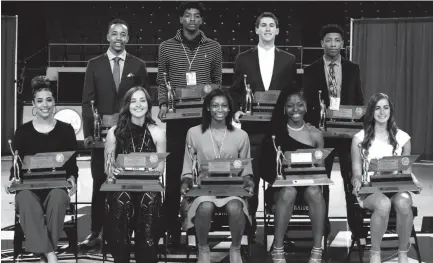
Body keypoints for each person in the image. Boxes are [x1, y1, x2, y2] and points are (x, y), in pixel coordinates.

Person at [156, 1, 222, 246]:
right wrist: (163, 102)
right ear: (181, 20)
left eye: (196, 16)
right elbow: (162, 79)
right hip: (176, 118)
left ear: (201, 21)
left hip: (202, 119)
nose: (192, 19)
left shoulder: (214, 47)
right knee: (174, 174)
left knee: (203, 171)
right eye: (188, 15)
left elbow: (217, 81)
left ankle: (199, 225)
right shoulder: (166, 47)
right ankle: (171, 228)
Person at [80, 18, 149, 247]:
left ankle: (127, 231)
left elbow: (145, 99)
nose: (119, 38)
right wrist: (89, 133)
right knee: (100, 182)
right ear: (107, 37)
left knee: (128, 182)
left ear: (128, 39)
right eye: (114, 34)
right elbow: (87, 101)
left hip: (131, 135)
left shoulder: (138, 65)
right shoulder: (94, 64)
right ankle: (95, 232)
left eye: (123, 34)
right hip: (101, 138)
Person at [230, 12, 299, 235]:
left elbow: (293, 92)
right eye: (263, 25)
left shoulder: (289, 59)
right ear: (257, 30)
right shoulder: (243, 58)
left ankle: (280, 234)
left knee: (281, 184)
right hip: (253, 132)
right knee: (251, 181)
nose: (268, 29)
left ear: (277, 31)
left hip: (281, 131)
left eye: (272, 25)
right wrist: (238, 109)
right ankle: (249, 233)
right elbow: (236, 91)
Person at [6, 76, 78, 263]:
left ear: (54, 102)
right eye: (40, 101)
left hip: (56, 185)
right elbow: (17, 164)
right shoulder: (22, 132)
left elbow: (71, 165)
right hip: (29, 186)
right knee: (24, 199)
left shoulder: (66, 130)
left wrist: (72, 177)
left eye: (49, 100)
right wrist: (13, 179)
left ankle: (43, 251)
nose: (44, 105)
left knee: (59, 198)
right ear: (33, 105)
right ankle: (50, 253)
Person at [180, 88, 254, 263]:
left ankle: (235, 249)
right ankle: (203, 249)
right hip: (204, 189)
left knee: (235, 207)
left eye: (224, 106)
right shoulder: (194, 133)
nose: (219, 110)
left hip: (232, 188)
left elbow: (247, 169)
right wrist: (186, 180)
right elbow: (188, 165)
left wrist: (248, 181)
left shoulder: (241, 135)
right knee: (205, 206)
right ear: (207, 108)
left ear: (230, 109)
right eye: (215, 105)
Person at [302, 24, 364, 232]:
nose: (333, 44)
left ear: (343, 44)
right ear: (322, 44)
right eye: (328, 40)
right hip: (321, 134)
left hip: (347, 134)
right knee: (322, 181)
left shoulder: (353, 68)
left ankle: (356, 228)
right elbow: (307, 103)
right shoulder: (310, 70)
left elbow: (358, 100)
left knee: (351, 180)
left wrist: (359, 128)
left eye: (337, 40)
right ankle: (322, 226)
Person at [260, 90, 326, 263]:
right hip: (282, 188)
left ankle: (317, 249)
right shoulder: (275, 134)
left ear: (306, 107)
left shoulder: (315, 134)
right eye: (290, 105)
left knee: (315, 192)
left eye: (299, 105)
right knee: (289, 191)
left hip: (308, 186)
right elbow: (265, 169)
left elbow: (321, 170)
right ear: (283, 109)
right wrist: (280, 176)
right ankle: (278, 248)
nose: (295, 109)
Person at [103, 87, 166, 263]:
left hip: (147, 186)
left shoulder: (158, 132)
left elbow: (160, 169)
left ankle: (146, 253)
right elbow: (107, 168)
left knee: (150, 198)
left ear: (149, 105)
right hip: (121, 187)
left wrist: (145, 171)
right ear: (127, 105)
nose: (138, 105)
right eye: (133, 101)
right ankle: (120, 255)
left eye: (142, 101)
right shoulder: (114, 132)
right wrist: (112, 169)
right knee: (122, 199)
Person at [351, 93, 414, 263]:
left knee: (404, 202)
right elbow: (356, 172)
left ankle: (402, 253)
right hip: (370, 189)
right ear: (371, 111)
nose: (381, 112)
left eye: (385, 107)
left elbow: (406, 170)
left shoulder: (403, 138)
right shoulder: (359, 138)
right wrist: (357, 181)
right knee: (383, 203)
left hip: (395, 187)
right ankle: (375, 253)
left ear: (391, 111)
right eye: (377, 108)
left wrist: (409, 177)